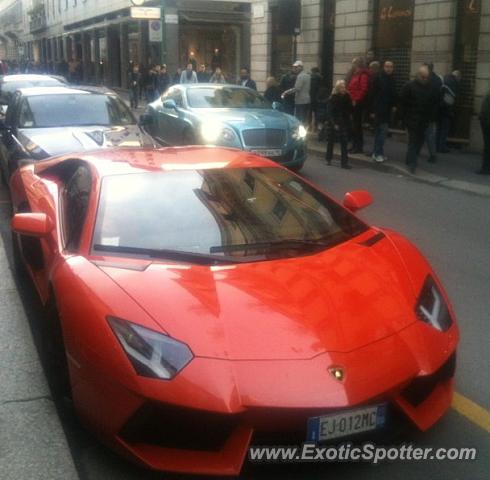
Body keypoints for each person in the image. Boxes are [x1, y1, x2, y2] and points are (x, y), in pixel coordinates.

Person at [400, 65, 439, 174]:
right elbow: (402, 103)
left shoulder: (430, 87)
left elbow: (433, 103)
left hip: (424, 120)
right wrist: (403, 119)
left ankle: (409, 160)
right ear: (418, 75)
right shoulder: (409, 86)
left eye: (426, 77)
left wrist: (431, 117)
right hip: (412, 120)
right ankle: (412, 163)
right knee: (413, 141)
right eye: (422, 77)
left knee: (419, 142)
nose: (424, 79)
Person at [369, 60, 397, 163]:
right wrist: (372, 110)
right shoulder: (378, 78)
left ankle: (376, 153)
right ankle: (378, 153)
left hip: (387, 110)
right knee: (381, 133)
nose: (389, 68)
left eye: (391, 67)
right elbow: (372, 95)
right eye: (387, 66)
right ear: (383, 67)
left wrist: (394, 105)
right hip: (379, 110)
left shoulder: (392, 78)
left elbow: (393, 93)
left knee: (380, 133)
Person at [325, 80, 353, 169]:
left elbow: (350, 110)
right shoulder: (333, 98)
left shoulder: (347, 97)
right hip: (335, 122)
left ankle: (344, 163)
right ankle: (328, 158)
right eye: (341, 87)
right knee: (331, 141)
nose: (343, 89)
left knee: (344, 142)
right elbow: (330, 113)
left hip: (344, 122)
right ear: (337, 88)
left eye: (344, 87)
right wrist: (333, 123)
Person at [347, 57, 370, 153]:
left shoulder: (363, 75)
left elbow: (363, 89)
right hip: (351, 101)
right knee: (353, 125)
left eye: (353, 63)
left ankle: (358, 146)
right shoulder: (354, 74)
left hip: (357, 103)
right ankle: (354, 144)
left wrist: (355, 99)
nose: (352, 65)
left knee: (356, 125)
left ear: (357, 64)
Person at [437, 70, 461, 153]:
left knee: (439, 128)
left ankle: (437, 146)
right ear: (457, 77)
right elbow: (450, 99)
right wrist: (451, 111)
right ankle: (441, 147)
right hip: (446, 110)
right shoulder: (453, 83)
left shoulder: (444, 79)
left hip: (439, 109)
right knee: (444, 129)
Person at [424, 62, 443, 163]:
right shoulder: (437, 80)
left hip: (428, 112)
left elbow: (428, 97)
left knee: (429, 134)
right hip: (433, 112)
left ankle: (433, 155)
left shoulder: (430, 80)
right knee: (428, 133)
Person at [281, 60, 311, 125]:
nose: (294, 69)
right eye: (294, 67)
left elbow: (297, 88)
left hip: (300, 101)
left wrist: (286, 92)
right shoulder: (308, 75)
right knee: (304, 118)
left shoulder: (300, 76)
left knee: (299, 119)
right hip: (307, 100)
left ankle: (300, 132)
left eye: (296, 67)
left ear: (300, 67)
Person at [478, 90, 490, 175]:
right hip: (486, 123)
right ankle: (485, 168)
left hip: (487, 124)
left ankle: (485, 168)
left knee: (487, 148)